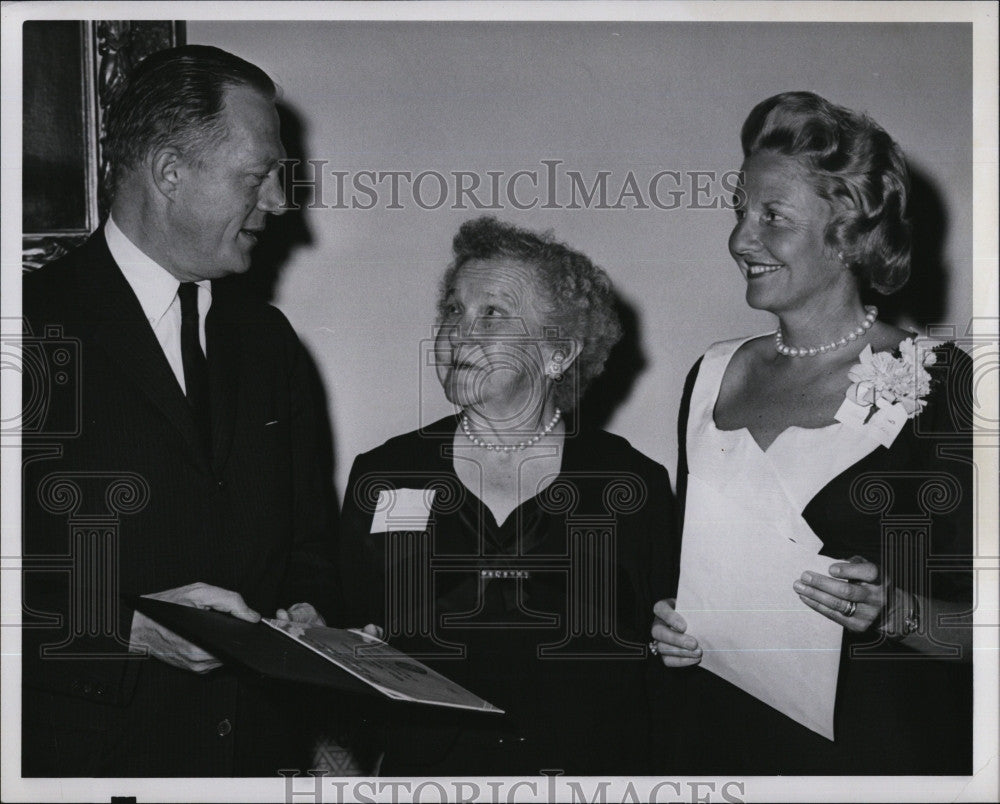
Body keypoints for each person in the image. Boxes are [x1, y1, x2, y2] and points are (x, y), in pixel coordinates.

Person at [21, 45, 339, 776]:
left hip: (255, 763)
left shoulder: (268, 344)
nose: (282, 205)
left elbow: (311, 554)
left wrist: (307, 617)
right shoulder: (26, 328)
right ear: (169, 173)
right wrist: (127, 628)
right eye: (258, 179)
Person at [650, 91, 973, 774]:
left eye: (773, 216)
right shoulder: (711, 375)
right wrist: (675, 629)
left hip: (876, 760)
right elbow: (696, 581)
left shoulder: (944, 385)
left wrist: (896, 611)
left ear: (848, 232)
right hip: (714, 751)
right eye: (741, 213)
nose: (742, 239)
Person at [339, 216, 675, 775]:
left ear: (558, 352)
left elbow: (670, 660)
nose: (457, 333)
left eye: (491, 314)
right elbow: (347, 631)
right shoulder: (384, 473)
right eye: (453, 311)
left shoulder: (631, 483)